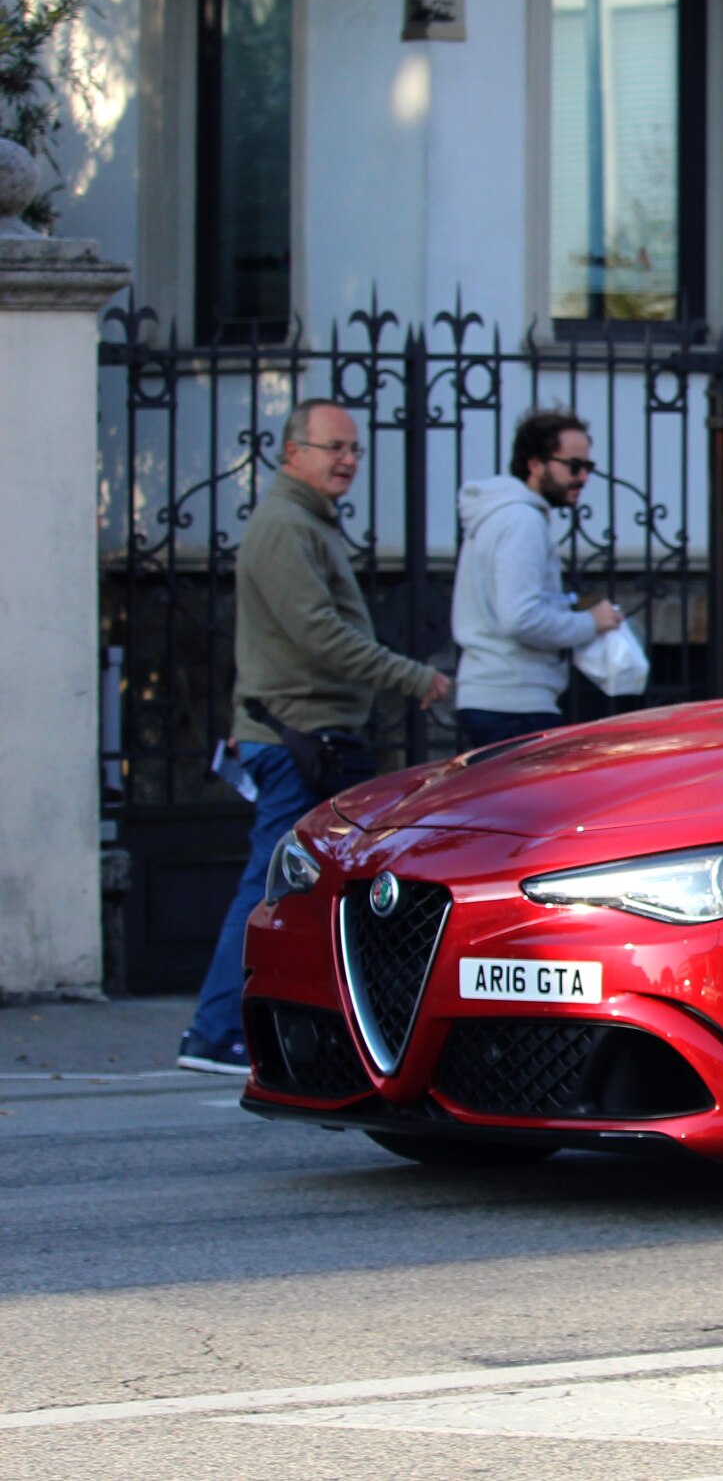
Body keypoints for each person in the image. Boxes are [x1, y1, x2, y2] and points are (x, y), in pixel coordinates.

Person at [179, 400, 451, 1076]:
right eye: (333, 447)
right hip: (293, 734)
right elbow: (318, 634)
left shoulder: (307, 523)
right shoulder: (284, 526)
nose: (348, 460)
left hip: (312, 730)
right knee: (271, 886)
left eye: (354, 449)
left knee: (311, 885)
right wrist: (409, 674)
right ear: (291, 452)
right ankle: (215, 1030)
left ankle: (294, 1026)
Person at [451, 408, 623, 750]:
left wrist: (568, 608)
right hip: (513, 702)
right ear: (535, 464)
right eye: (573, 466)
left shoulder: (503, 514)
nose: (583, 477)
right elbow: (521, 617)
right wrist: (590, 623)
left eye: (588, 467)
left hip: (497, 696)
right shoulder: (522, 521)